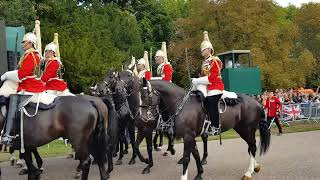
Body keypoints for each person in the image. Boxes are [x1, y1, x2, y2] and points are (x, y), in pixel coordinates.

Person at [0, 32, 45, 145]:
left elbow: (22, 74)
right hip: (30, 82)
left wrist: (6, 75)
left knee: (13, 101)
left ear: (30, 43)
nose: (22, 44)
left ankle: (8, 134)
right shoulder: (32, 54)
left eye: (24, 42)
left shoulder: (31, 55)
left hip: (29, 85)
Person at [191, 36, 224, 135]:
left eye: (204, 49)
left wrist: (197, 81)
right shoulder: (204, 62)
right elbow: (202, 76)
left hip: (215, 86)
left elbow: (212, 78)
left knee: (211, 101)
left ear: (209, 49)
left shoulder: (215, 60)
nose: (202, 50)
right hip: (206, 86)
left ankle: (215, 126)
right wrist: (196, 81)